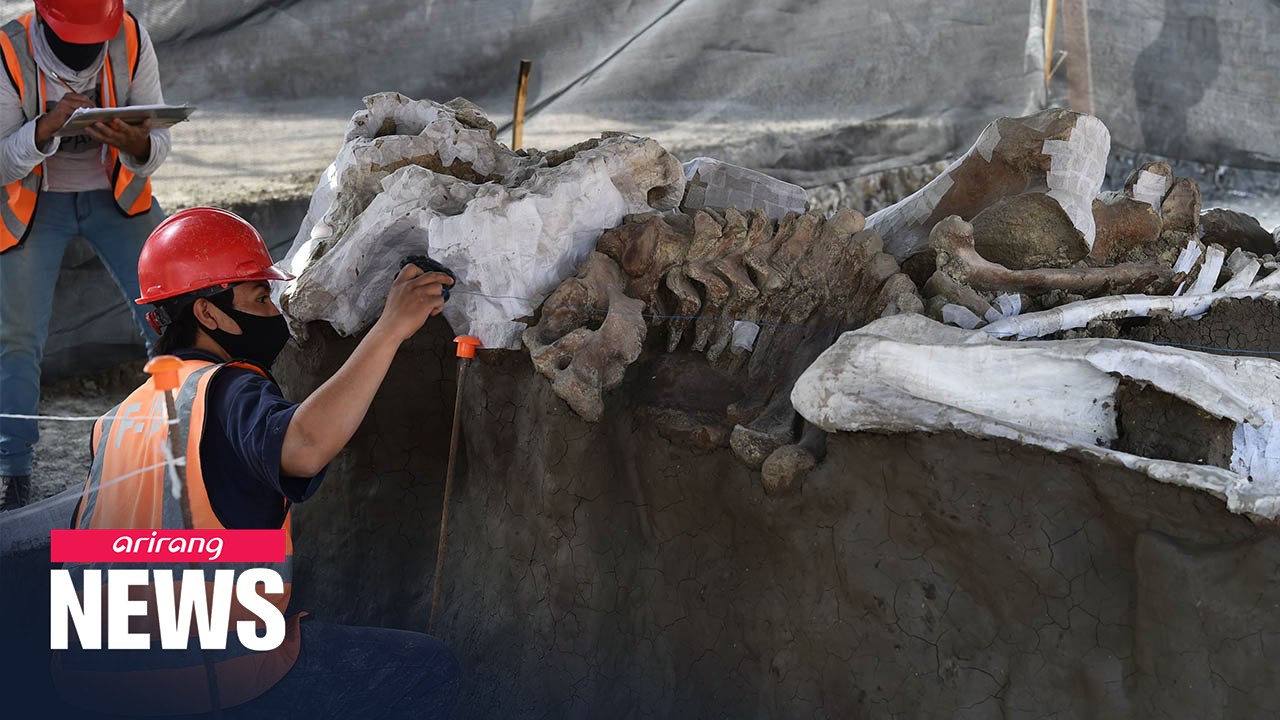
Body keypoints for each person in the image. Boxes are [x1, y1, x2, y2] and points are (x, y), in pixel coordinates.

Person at [55, 207, 460, 718]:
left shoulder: (116, 419)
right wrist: (390, 329)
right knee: (425, 666)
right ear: (208, 314)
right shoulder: (224, 388)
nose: (275, 314)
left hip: (88, 687)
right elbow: (306, 444)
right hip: (203, 684)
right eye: (260, 297)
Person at [0, 0, 169, 510]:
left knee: (171, 315)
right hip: (32, 205)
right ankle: (14, 475)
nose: (88, 48)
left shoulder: (131, 36)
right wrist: (45, 130)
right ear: (46, 20)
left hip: (118, 196)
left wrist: (138, 144)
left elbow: (157, 141)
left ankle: (176, 450)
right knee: (17, 337)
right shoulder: (8, 47)